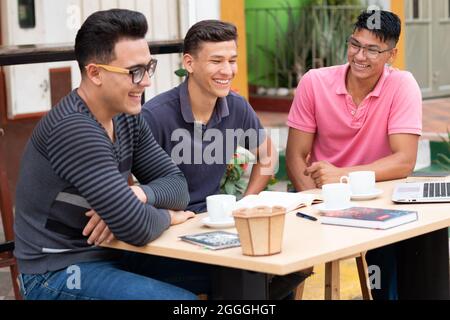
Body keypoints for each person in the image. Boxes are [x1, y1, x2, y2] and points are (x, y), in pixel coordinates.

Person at [14, 9, 200, 300]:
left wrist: (136, 197)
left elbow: (177, 185)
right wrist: (168, 216)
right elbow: (136, 227)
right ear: (95, 73)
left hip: (114, 253)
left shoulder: (126, 115)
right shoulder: (75, 129)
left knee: (246, 276)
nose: (146, 82)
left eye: (148, 67)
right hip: (58, 272)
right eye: (134, 72)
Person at [142, 19, 310, 300]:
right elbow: (125, 181)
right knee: (247, 275)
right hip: (170, 238)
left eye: (232, 60)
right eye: (216, 61)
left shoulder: (236, 107)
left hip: (216, 228)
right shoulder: (155, 115)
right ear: (190, 63)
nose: (227, 70)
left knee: (289, 264)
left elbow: (267, 157)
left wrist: (246, 203)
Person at [286, 10, 422, 300]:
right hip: (320, 199)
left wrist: (343, 175)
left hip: (377, 203)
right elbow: (296, 156)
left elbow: (404, 161)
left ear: (391, 54)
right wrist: (317, 205)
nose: (360, 56)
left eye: (373, 49)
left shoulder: (402, 85)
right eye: (355, 44)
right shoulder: (314, 82)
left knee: (406, 254)